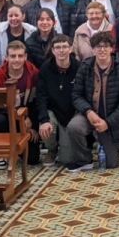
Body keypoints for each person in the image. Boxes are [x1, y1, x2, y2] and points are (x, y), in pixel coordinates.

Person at [69, 32, 119, 170]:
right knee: (74, 127)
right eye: (98, 46)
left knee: (111, 164)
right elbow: (76, 95)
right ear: (93, 49)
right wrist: (88, 111)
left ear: (112, 49)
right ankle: (84, 159)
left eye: (106, 46)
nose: (102, 49)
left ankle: (104, 145)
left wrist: (108, 122)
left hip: (110, 120)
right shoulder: (85, 67)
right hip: (89, 115)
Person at [35, 34, 82, 168]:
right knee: (46, 128)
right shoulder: (45, 69)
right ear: (53, 50)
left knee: (67, 160)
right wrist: (44, 120)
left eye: (64, 47)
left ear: (71, 49)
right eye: (58, 47)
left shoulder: (79, 68)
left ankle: (66, 146)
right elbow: (41, 96)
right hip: (53, 112)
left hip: (73, 112)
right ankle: (52, 149)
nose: (61, 50)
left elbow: (83, 95)